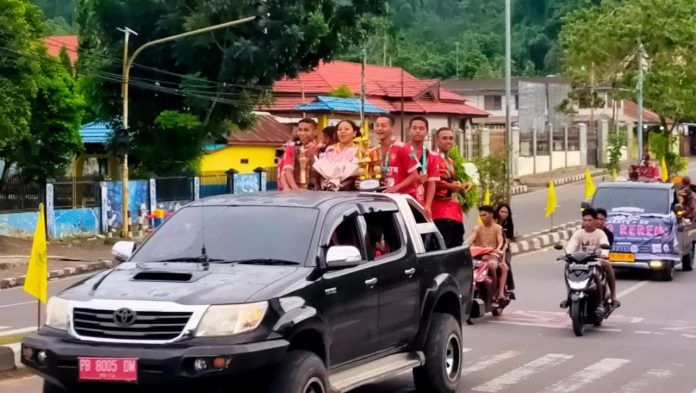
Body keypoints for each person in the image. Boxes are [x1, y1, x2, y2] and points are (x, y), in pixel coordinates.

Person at [563, 208, 620, 314]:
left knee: (604, 268)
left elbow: (605, 245)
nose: (587, 223)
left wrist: (604, 255)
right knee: (567, 266)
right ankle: (569, 297)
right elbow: (571, 245)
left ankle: (603, 302)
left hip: (596, 260)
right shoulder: (579, 233)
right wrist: (566, 254)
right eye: (585, 220)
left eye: (590, 220)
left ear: (594, 221)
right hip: (581, 260)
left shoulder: (601, 233)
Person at [431, 127, 470, 248]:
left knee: (457, 247)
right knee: (444, 249)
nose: (448, 141)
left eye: (451, 138)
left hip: (455, 212)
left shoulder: (451, 162)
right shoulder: (432, 158)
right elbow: (431, 182)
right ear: (436, 141)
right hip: (440, 213)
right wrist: (451, 186)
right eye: (444, 138)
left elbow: (451, 183)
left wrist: (462, 187)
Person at [466, 205, 508, 302]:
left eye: (484, 215)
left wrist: (497, 249)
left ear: (491, 215)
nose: (482, 217)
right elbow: (470, 240)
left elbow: (501, 242)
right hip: (478, 257)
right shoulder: (477, 228)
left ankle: (495, 293)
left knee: (492, 266)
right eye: (481, 216)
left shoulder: (498, 228)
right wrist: (462, 247)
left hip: (492, 256)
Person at [373, 114, 421, 197]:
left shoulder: (404, 148)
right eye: (377, 125)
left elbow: (415, 176)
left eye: (383, 126)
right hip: (384, 197)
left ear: (392, 129)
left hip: (404, 198)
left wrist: (396, 188)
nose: (379, 128)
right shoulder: (373, 151)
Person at [312, 120, 361, 191]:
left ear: (354, 133)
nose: (342, 131)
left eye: (346, 129)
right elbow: (324, 168)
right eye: (339, 129)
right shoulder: (330, 149)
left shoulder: (359, 149)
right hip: (329, 188)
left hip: (350, 189)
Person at [408, 116, 440, 218]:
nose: (417, 131)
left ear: (426, 132)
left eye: (421, 129)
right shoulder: (401, 151)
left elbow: (432, 182)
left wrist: (428, 205)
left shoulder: (432, 155)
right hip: (403, 200)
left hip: (420, 203)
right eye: (414, 128)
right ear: (409, 130)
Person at [281, 118, 321, 192]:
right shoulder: (291, 147)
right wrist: (295, 188)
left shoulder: (321, 148)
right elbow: (287, 169)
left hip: (317, 192)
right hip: (295, 192)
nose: (302, 133)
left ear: (315, 132)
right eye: (300, 130)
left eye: (306, 130)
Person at [495, 203, 515, 292]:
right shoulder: (493, 222)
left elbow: (508, 239)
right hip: (492, 247)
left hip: (504, 248)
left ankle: (509, 285)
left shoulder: (509, 224)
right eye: (502, 211)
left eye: (506, 212)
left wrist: (503, 246)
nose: (503, 214)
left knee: (505, 264)